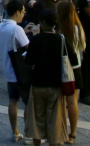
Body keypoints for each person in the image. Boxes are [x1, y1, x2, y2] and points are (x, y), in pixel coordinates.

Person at [24, 9, 67, 146]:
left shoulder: (36, 39)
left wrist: (35, 36)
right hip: (55, 83)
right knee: (54, 118)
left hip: (38, 82)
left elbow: (29, 60)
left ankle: (37, 142)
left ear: (42, 22)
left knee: (36, 117)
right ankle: (54, 142)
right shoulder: (61, 39)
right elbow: (70, 58)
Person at [0, 0, 31, 142]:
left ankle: (14, 131)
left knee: (13, 101)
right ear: (17, 12)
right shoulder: (16, 29)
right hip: (20, 71)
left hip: (9, 70)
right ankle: (30, 133)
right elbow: (28, 47)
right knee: (29, 104)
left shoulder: (1, 27)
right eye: (23, 12)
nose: (24, 14)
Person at [55, 0, 84, 142]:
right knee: (73, 102)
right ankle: (72, 134)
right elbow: (83, 47)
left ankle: (60, 131)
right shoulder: (77, 28)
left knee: (59, 101)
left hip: (58, 68)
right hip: (75, 67)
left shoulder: (56, 29)